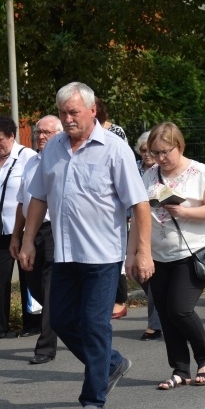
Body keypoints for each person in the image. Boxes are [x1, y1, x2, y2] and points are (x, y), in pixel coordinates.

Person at [18, 82, 154, 409]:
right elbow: (38, 198)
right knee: (62, 321)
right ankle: (110, 363)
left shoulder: (115, 149)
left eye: (73, 112)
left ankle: (93, 397)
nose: (67, 119)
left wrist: (142, 253)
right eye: (63, 113)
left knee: (94, 325)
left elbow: (139, 204)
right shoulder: (52, 150)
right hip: (64, 254)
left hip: (103, 256)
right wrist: (28, 240)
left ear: (93, 111)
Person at [139, 122, 205, 390]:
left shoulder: (200, 172)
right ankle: (180, 369)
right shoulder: (149, 176)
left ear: (179, 146)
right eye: (155, 153)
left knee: (180, 309)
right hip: (159, 255)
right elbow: (140, 217)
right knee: (165, 313)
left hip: (192, 252)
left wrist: (186, 212)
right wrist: (137, 252)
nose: (161, 158)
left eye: (165, 152)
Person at [0, 115, 38, 340]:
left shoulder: (28, 157)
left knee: (28, 277)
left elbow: (36, 195)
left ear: (12, 136)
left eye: (0, 140)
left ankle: (32, 322)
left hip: (24, 229)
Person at [10, 115, 63, 365]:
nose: (40, 136)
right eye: (38, 132)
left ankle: (45, 346)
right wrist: (16, 236)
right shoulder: (31, 162)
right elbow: (23, 201)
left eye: (47, 132)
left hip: (55, 229)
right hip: (32, 230)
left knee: (51, 286)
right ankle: (64, 316)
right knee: (33, 283)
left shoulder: (62, 161)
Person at [95, 98, 129, 319]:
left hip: (114, 203)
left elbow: (122, 164)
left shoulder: (115, 133)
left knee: (116, 252)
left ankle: (119, 300)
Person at [135, 131, 162, 341]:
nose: (147, 154)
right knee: (138, 272)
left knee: (153, 278)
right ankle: (163, 309)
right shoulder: (134, 169)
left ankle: (154, 324)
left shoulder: (162, 170)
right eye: (143, 150)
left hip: (156, 228)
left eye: (150, 150)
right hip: (131, 226)